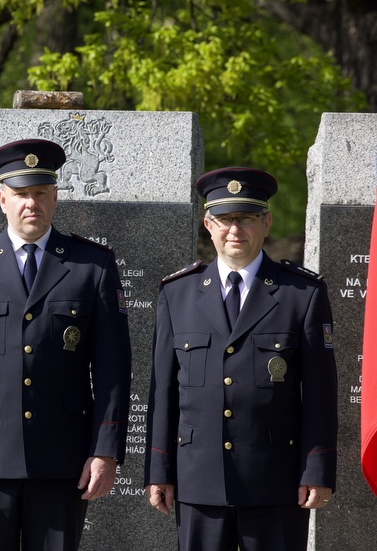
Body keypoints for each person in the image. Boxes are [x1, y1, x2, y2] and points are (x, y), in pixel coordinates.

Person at [0, 139, 132, 551]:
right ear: (2, 198)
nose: (31, 204)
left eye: (40, 193)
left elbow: (113, 369)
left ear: (55, 196)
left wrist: (105, 451)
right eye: (21, 194)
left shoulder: (91, 266)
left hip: (63, 458)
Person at [145, 167, 338, 551]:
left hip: (275, 482)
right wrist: (158, 470)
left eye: (246, 218)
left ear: (266, 222)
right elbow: (163, 391)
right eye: (224, 219)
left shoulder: (301, 293)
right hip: (197, 480)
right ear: (208, 224)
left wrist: (317, 468)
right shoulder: (177, 294)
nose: (235, 230)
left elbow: (319, 392)